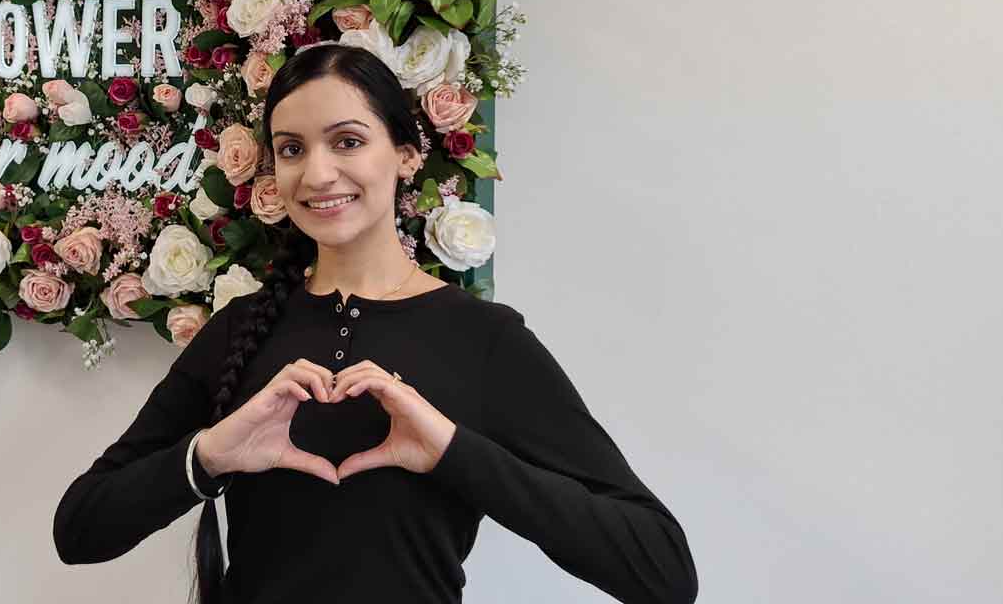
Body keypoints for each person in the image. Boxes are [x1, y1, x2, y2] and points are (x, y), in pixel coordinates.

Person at [52, 44, 698, 604]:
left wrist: (454, 453)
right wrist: (211, 456)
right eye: (292, 149)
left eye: (348, 141)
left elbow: (661, 570)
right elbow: (79, 530)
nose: (318, 172)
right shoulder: (237, 331)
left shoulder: (486, 341)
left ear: (408, 156)